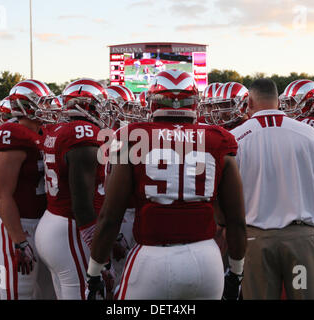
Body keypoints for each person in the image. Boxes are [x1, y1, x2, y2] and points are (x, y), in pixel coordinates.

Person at [86, 69, 247, 300]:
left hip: (153, 258)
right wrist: (236, 273)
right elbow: (236, 221)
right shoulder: (219, 139)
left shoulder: (132, 137)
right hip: (206, 258)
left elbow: (110, 217)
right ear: (195, 103)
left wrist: (94, 272)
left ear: (152, 102)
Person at [230, 78, 314, 300]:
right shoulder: (308, 133)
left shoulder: (236, 137)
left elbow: (227, 194)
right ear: (278, 101)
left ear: (249, 102)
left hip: (255, 239)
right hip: (301, 240)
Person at [34, 78, 114, 300]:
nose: (104, 112)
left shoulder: (57, 129)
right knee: (84, 293)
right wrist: (102, 257)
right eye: (101, 106)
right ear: (87, 106)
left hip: (54, 221)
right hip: (72, 228)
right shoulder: (84, 133)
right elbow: (82, 205)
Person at [0, 79, 52, 300]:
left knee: (48, 293)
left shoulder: (44, 132)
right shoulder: (13, 133)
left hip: (44, 224)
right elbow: (3, 193)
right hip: (20, 225)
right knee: (18, 293)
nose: (47, 108)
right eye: (42, 103)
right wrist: (18, 239)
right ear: (26, 106)